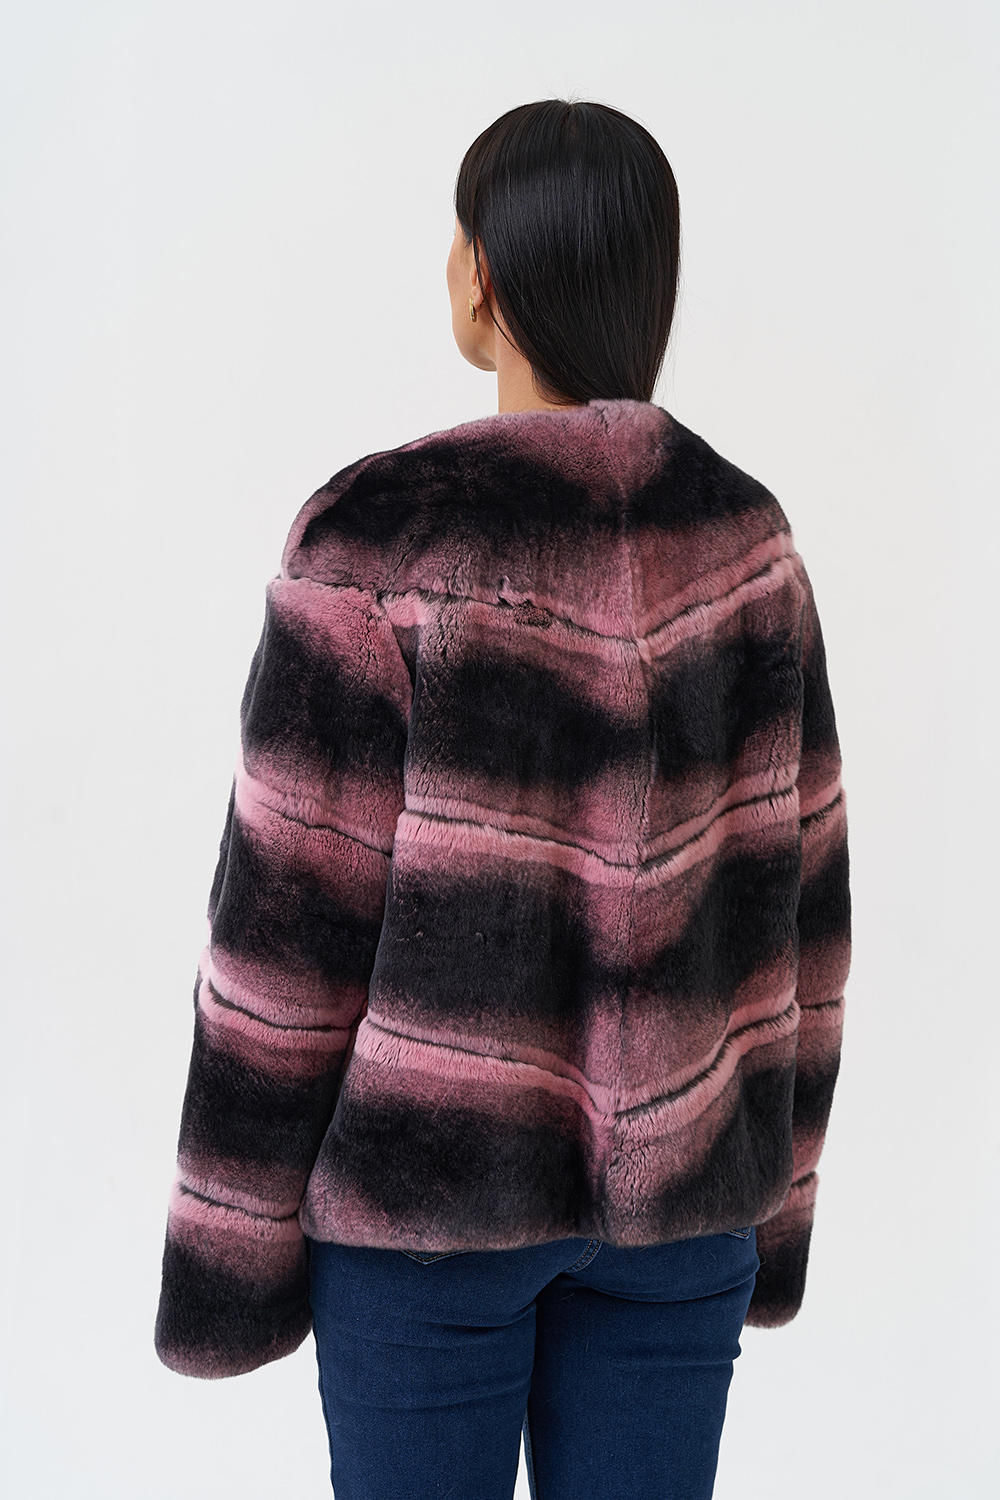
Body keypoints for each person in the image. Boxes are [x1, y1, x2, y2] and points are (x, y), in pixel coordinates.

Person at [154, 99, 851, 1500]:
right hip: (685, 1213)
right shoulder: (748, 543)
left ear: (482, 277)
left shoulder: (377, 543)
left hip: (429, 1212)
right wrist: (773, 1204)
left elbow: (284, 939)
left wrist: (227, 1260)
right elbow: (800, 927)